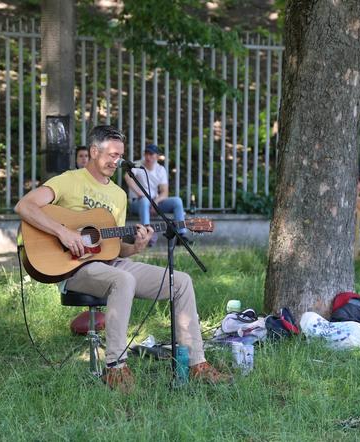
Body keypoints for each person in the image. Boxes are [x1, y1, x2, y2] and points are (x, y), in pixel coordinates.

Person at [15, 126, 230, 393]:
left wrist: (136, 246)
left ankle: (197, 364)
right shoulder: (68, 180)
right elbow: (24, 206)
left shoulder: (117, 194)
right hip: (73, 268)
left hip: (110, 265)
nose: (117, 161)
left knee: (181, 281)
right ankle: (115, 367)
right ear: (94, 152)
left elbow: (112, 249)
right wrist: (63, 231)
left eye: (120, 156)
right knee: (123, 279)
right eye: (112, 155)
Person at [124, 144, 192, 246]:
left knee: (177, 201)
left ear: (157, 156)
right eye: (146, 153)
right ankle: (146, 235)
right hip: (138, 203)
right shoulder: (137, 165)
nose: (148, 157)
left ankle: (180, 236)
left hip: (154, 203)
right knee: (144, 200)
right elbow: (127, 177)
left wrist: (155, 203)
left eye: (151, 154)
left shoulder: (160, 169)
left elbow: (165, 192)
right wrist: (140, 193)